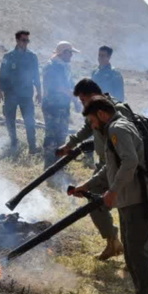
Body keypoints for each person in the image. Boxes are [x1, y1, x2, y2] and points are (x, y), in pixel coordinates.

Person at [70, 98, 148, 294]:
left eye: (91, 121)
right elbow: (110, 167)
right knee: (131, 251)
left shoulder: (118, 128)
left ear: (101, 114)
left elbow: (130, 162)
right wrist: (88, 186)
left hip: (139, 198)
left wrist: (112, 191)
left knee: (138, 253)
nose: (91, 126)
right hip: (130, 198)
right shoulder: (113, 129)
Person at [57, 79, 132, 260]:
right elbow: (87, 128)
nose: (82, 104)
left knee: (125, 207)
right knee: (95, 202)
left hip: (120, 165)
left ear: (93, 95)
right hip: (104, 165)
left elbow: (128, 148)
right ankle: (113, 242)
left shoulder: (116, 111)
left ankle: (131, 253)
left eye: (83, 100)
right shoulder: (94, 112)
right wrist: (71, 143)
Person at [0, 30, 42, 154]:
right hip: (10, 94)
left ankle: (32, 146)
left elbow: (36, 75)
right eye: (23, 40)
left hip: (26, 94)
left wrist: (39, 91)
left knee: (30, 121)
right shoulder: (8, 56)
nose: (26, 43)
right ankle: (13, 143)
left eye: (27, 40)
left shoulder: (32, 57)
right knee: (10, 120)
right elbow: (2, 74)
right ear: (17, 40)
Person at [41, 41, 78, 168]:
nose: (71, 56)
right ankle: (49, 165)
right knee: (51, 135)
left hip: (62, 106)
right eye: (70, 53)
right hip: (52, 106)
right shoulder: (52, 66)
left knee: (61, 134)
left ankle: (58, 165)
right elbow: (59, 87)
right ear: (63, 53)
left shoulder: (64, 67)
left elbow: (71, 85)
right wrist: (74, 98)